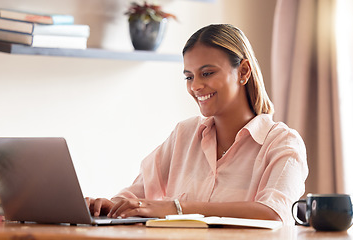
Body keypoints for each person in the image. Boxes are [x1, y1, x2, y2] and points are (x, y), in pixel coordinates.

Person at [86, 24, 308, 225]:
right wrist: (109, 206)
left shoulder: (282, 144)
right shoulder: (185, 134)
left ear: (243, 71)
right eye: (189, 77)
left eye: (207, 73)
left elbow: (274, 213)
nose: (196, 86)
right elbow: (136, 196)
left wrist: (176, 208)